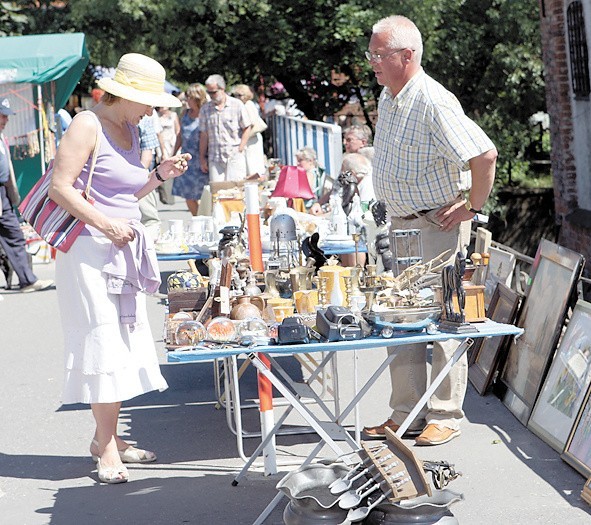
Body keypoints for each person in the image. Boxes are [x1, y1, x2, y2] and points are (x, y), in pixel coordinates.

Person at [47, 53, 190, 483]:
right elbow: (59, 188)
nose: (153, 110)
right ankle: (107, 448)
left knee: (121, 344)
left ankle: (106, 438)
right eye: (149, 102)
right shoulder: (86, 124)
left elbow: (125, 192)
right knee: (104, 344)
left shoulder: (129, 127)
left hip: (118, 246)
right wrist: (106, 223)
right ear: (124, 94)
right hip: (89, 251)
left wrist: (159, 175)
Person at [362, 16, 497, 446]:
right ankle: (407, 415)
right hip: (402, 227)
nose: (372, 63)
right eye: (371, 54)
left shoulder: (433, 100)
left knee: (445, 322)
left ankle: (445, 414)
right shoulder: (389, 96)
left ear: (408, 55)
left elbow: (485, 155)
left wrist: (472, 207)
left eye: (380, 54)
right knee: (400, 321)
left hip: (436, 227)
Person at [0, 97, 53, 293]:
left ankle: (27, 279)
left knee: (14, 235)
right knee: (13, 235)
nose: (6, 120)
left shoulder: (1, 137)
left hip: (3, 195)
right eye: (3, 116)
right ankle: (27, 279)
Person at [199, 74, 252, 182]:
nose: (211, 95)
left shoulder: (237, 105)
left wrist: (240, 148)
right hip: (215, 157)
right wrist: (202, 158)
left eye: (213, 92)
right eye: (209, 92)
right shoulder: (205, 109)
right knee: (217, 193)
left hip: (234, 156)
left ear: (222, 89)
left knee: (235, 192)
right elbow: (204, 135)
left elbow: (247, 127)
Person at [172, 83, 208, 215]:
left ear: (197, 98)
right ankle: (198, 218)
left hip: (202, 158)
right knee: (188, 195)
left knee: (204, 195)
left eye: (189, 97)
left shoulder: (205, 114)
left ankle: (205, 220)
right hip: (187, 158)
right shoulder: (185, 114)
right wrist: (174, 153)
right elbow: (180, 135)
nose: (186, 100)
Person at [231, 84, 266, 177]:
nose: (237, 98)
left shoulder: (248, 105)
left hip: (252, 139)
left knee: (252, 166)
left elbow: (251, 123)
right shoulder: (244, 105)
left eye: (240, 95)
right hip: (250, 139)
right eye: (236, 95)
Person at [156, 106, 180, 205]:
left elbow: (178, 130)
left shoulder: (173, 115)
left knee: (174, 168)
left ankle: (171, 195)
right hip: (161, 144)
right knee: (163, 167)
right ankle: (165, 196)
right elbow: (158, 133)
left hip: (172, 143)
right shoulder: (157, 117)